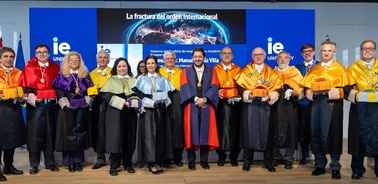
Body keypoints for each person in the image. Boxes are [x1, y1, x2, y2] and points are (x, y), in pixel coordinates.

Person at [300, 40, 355, 180]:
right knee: (316, 133)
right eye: (324, 50)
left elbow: (348, 88)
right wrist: (313, 93)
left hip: (333, 107)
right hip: (317, 106)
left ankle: (335, 166)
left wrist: (336, 92)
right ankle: (320, 164)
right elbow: (306, 88)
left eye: (329, 51)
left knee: (333, 135)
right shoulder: (314, 69)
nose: (326, 53)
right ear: (320, 52)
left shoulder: (341, 69)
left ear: (334, 52)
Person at [235, 47, 282, 173]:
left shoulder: (272, 73)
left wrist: (272, 95)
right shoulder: (245, 71)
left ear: (265, 56)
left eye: (260, 54)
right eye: (255, 55)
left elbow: (278, 89)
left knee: (268, 133)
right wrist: (247, 94)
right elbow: (239, 87)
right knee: (249, 132)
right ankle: (247, 161)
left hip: (266, 106)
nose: (258, 57)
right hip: (250, 106)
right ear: (252, 56)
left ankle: (268, 161)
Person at [18, 44, 60, 175]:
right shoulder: (29, 68)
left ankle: (50, 162)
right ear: (35, 54)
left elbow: (60, 86)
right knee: (35, 135)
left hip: (51, 106)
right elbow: (24, 88)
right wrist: (34, 98)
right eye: (39, 52)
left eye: (45, 52)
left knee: (50, 133)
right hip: (36, 106)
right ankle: (34, 164)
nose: (42, 54)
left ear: (49, 53)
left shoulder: (55, 67)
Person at [132, 55, 175, 174]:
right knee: (149, 137)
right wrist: (150, 102)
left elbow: (170, 94)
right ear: (145, 65)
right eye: (148, 63)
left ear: (156, 65)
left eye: (153, 63)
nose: (150, 65)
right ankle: (151, 163)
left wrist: (163, 101)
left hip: (160, 110)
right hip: (148, 111)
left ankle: (158, 162)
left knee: (161, 136)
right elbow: (138, 94)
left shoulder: (162, 78)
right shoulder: (141, 79)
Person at [52, 51, 93, 172]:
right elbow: (59, 93)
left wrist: (86, 102)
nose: (74, 62)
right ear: (67, 61)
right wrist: (66, 104)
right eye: (71, 59)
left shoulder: (84, 75)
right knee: (67, 136)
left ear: (80, 62)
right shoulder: (61, 75)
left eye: (77, 60)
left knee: (80, 135)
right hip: (67, 112)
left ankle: (78, 162)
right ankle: (69, 162)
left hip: (81, 110)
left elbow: (90, 91)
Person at [180, 47, 219, 170]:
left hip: (207, 106)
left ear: (204, 58)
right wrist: (196, 100)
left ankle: (204, 160)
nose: (197, 58)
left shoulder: (211, 71)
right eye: (195, 56)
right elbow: (184, 87)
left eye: (200, 56)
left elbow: (214, 87)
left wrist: (205, 99)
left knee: (205, 132)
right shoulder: (185, 71)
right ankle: (191, 161)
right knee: (190, 133)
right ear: (192, 57)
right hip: (191, 106)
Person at [100, 58, 138, 176]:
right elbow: (106, 95)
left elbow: (137, 94)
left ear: (128, 68)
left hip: (130, 113)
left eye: (124, 66)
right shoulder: (111, 81)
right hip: (115, 113)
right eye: (119, 66)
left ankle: (128, 163)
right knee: (115, 138)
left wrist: (134, 102)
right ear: (116, 68)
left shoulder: (134, 80)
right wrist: (123, 103)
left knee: (129, 137)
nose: (122, 68)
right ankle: (114, 165)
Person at [347, 40, 378, 180]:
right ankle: (357, 169)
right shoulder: (353, 68)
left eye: (370, 48)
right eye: (364, 48)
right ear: (360, 50)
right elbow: (346, 87)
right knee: (357, 138)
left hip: (377, 109)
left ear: (375, 50)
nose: (367, 51)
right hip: (359, 108)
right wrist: (355, 95)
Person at [272, 51, 303, 169]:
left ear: (289, 60)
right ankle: (276, 156)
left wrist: (294, 91)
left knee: (291, 130)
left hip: (290, 106)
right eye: (280, 58)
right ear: (277, 60)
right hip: (275, 106)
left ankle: (288, 158)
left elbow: (301, 89)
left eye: (285, 58)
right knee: (274, 129)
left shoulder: (295, 72)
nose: (283, 60)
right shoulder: (272, 73)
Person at [0, 47, 26, 181]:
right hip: (0, 109)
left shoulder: (19, 72)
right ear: (0, 58)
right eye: (6, 56)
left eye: (11, 56)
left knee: (11, 139)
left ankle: (9, 166)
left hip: (13, 109)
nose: (9, 59)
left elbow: (24, 91)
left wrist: (22, 97)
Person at [213, 46, 242, 167]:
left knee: (236, 129)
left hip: (235, 104)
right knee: (220, 128)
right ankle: (221, 156)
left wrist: (237, 93)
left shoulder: (239, 70)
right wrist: (217, 91)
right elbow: (210, 86)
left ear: (233, 56)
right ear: (220, 55)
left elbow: (243, 85)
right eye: (224, 53)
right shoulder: (214, 69)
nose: (226, 55)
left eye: (229, 53)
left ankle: (234, 157)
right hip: (219, 104)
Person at [295, 43, 319, 165]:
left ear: (314, 52)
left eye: (310, 51)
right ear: (301, 54)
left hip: (318, 103)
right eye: (304, 51)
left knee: (316, 130)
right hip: (303, 103)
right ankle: (305, 155)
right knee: (304, 130)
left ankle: (318, 156)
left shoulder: (320, 66)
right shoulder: (297, 68)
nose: (307, 53)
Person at [159, 51, 184, 168]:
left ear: (175, 60)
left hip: (178, 100)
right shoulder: (159, 72)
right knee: (165, 129)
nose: (169, 60)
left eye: (171, 58)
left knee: (178, 129)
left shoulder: (182, 72)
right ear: (163, 60)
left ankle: (178, 157)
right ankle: (166, 158)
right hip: (163, 101)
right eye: (167, 59)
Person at [89, 50, 112, 170]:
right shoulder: (91, 74)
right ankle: (100, 159)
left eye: (105, 57)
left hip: (111, 103)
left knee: (111, 130)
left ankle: (113, 159)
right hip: (97, 104)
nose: (102, 59)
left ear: (108, 60)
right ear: (97, 59)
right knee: (98, 130)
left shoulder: (113, 72)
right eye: (100, 57)